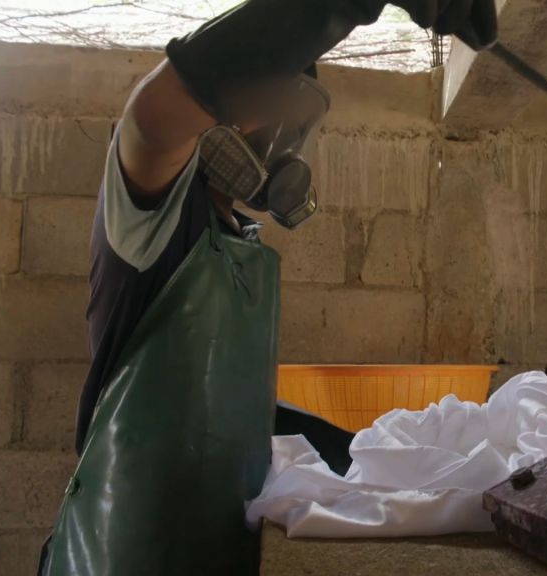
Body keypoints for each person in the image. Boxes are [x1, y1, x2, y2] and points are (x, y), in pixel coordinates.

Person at [37, 1, 497, 574]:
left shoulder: (245, 247)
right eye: (266, 105)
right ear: (217, 109)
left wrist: (372, 456)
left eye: (294, 116)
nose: (278, 132)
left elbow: (223, 409)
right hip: (122, 552)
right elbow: (152, 119)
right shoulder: (149, 218)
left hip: (216, 549)